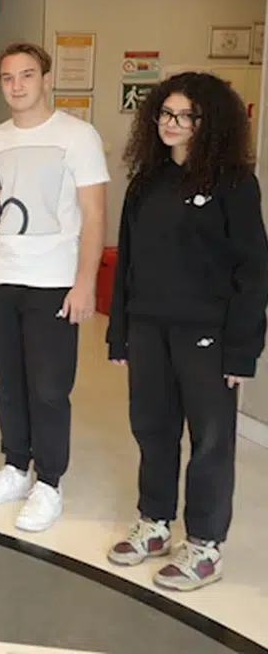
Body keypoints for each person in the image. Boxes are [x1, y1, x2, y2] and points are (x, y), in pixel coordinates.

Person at [105, 73, 268, 591]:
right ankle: (155, 523)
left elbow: (253, 271)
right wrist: (119, 332)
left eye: (184, 116)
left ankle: (205, 545)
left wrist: (242, 350)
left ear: (208, 122)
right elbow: (128, 263)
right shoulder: (146, 183)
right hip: (148, 328)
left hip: (207, 336)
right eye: (165, 114)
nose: (171, 124)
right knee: (152, 430)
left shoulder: (234, 184)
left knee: (210, 441)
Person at [0, 42, 108, 532]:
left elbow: (94, 214)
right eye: (8, 77)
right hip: (2, 278)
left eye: (27, 75)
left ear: (46, 80)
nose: (17, 85)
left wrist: (85, 282)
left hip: (54, 281)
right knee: (8, 385)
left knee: (48, 388)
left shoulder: (78, 136)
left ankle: (49, 482)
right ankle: (15, 465)